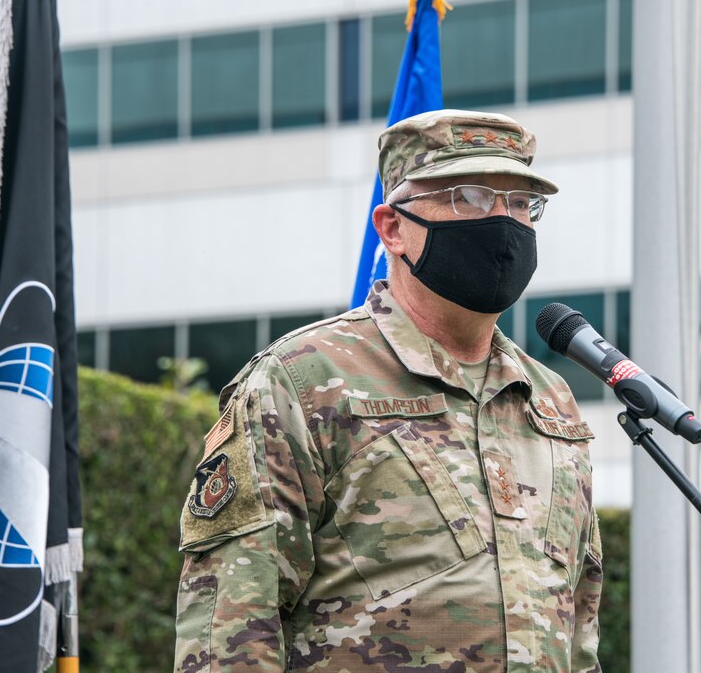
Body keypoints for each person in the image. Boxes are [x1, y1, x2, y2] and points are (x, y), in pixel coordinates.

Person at [174, 109, 602, 672]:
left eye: (520, 203)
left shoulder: (549, 401)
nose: (503, 221)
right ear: (393, 228)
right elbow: (227, 635)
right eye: (469, 197)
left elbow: (578, 626)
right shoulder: (302, 382)